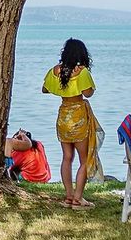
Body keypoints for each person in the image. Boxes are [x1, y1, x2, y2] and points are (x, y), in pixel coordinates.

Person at [43, 38, 101, 209]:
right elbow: (88, 93)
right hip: (78, 116)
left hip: (63, 114)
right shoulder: (82, 72)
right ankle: (78, 198)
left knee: (67, 157)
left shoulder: (55, 71)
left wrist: (63, 86)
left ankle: (68, 196)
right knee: (84, 160)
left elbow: (45, 89)